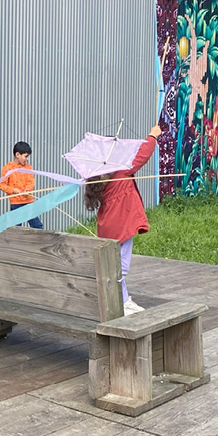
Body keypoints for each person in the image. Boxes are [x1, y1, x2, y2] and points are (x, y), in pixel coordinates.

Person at [83, 125, 162, 316]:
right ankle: (121, 303)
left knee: (115, 264)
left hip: (108, 225)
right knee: (120, 267)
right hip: (122, 225)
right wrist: (152, 136)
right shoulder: (121, 171)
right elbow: (141, 156)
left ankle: (125, 299)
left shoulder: (98, 173)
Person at [0, 141, 43, 229]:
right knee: (15, 228)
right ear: (17, 154)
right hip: (16, 204)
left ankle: (41, 238)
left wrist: (28, 189)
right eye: (26, 156)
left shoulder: (28, 168)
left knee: (37, 226)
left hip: (29, 202)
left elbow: (31, 182)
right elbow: (2, 185)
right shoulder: (7, 168)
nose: (27, 159)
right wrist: (13, 190)